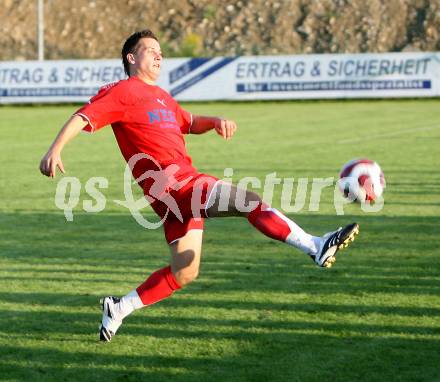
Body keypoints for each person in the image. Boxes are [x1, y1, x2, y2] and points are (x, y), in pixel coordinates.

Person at [39, 29, 359, 342]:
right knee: (247, 201)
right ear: (132, 57)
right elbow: (83, 116)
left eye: (160, 51)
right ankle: (316, 246)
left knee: (185, 272)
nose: (159, 54)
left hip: (172, 194)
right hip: (177, 184)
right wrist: (56, 149)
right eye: (151, 49)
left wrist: (215, 122)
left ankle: (119, 307)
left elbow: (188, 122)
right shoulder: (123, 92)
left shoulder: (161, 97)